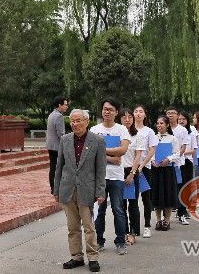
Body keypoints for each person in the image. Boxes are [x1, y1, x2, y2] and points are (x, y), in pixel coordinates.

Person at [54, 109, 106, 272]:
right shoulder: (65, 140)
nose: (75, 124)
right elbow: (59, 166)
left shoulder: (97, 141)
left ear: (86, 121)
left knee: (89, 227)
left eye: (78, 120)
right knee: (72, 227)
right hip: (67, 189)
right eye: (72, 121)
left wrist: (100, 191)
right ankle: (76, 257)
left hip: (87, 189)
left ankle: (93, 258)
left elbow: (101, 169)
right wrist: (56, 190)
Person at [90, 97, 130, 255]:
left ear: (116, 112)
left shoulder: (121, 130)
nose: (107, 112)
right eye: (105, 109)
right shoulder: (94, 130)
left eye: (110, 110)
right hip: (99, 177)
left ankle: (120, 241)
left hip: (116, 177)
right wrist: (111, 158)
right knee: (99, 211)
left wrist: (101, 150)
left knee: (118, 210)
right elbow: (91, 152)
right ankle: (99, 241)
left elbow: (123, 150)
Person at [130, 104, 157, 239]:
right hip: (130, 167)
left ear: (145, 114)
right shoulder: (128, 130)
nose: (138, 113)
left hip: (144, 168)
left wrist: (141, 166)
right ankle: (134, 228)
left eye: (141, 111)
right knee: (132, 199)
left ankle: (147, 226)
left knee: (146, 198)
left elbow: (152, 150)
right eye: (136, 111)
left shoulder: (149, 131)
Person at [149, 115, 180, 231]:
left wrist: (168, 159)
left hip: (167, 170)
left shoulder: (172, 138)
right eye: (157, 123)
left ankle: (167, 220)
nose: (159, 125)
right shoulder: (153, 138)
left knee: (168, 194)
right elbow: (149, 152)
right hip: (156, 169)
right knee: (156, 194)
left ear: (167, 125)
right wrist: (152, 161)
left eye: (161, 123)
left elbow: (177, 153)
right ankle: (158, 220)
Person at [118, 109, 140, 245]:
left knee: (133, 204)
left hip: (131, 171)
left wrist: (132, 173)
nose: (127, 120)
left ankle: (133, 233)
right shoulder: (117, 134)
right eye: (124, 117)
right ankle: (124, 232)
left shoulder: (137, 136)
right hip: (117, 171)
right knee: (120, 205)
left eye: (130, 117)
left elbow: (138, 156)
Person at [165, 107, 191, 225]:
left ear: (177, 115)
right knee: (168, 189)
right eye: (168, 113)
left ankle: (182, 214)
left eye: (173, 113)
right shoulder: (164, 128)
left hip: (178, 164)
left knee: (181, 188)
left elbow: (183, 147)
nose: (170, 115)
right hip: (165, 164)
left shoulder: (182, 130)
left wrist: (174, 157)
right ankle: (166, 216)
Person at [47, 96, 69, 192]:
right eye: (65, 105)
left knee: (53, 167)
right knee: (58, 167)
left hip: (50, 145)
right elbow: (61, 133)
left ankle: (53, 188)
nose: (67, 107)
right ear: (60, 105)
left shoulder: (51, 114)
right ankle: (57, 188)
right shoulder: (59, 116)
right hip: (57, 146)